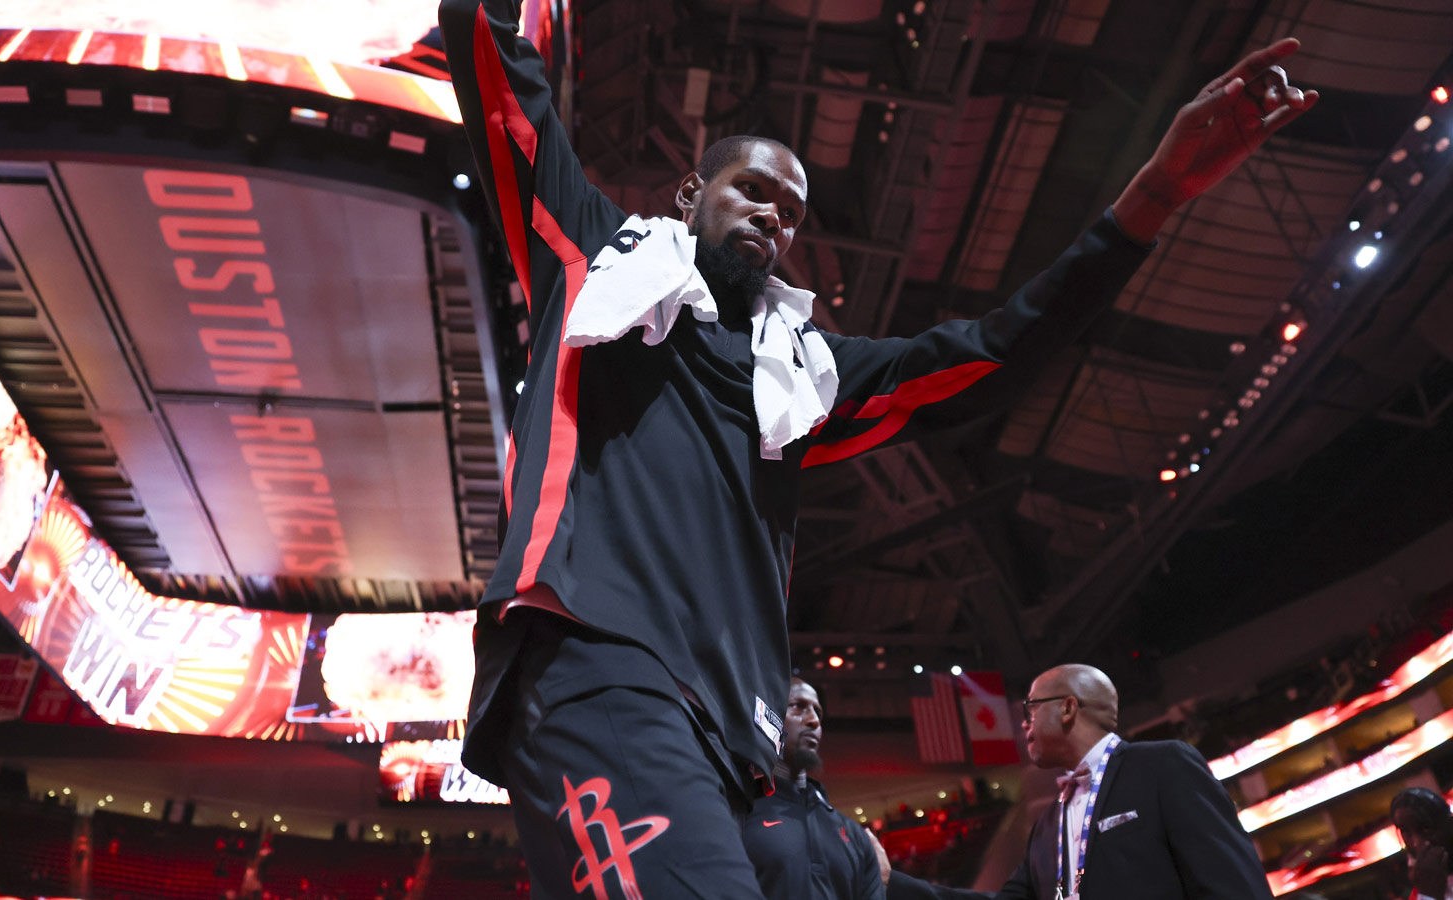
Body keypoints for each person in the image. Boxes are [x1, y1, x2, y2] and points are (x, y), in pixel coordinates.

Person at [437, 0, 1317, 895]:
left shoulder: (808, 374)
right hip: (597, 661)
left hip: (732, 740)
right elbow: (507, 89)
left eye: (791, 212)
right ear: (690, 195)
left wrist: (1153, 198)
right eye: (751, 189)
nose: (773, 217)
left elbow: (991, 353)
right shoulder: (597, 259)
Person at [878, 664, 1272, 900]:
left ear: (1068, 708)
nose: (1023, 723)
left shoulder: (1162, 765)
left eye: (1031, 708)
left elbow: (1234, 884)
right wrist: (891, 884)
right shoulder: (1047, 825)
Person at [741, 678, 883, 900]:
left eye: (818, 713)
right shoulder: (736, 811)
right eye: (798, 706)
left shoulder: (855, 835)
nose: (814, 721)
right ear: (768, 716)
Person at [1392, 786, 1453, 900]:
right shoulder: (1418, 896)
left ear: (1450, 825)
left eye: (1425, 829)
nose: (1416, 843)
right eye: (1407, 833)